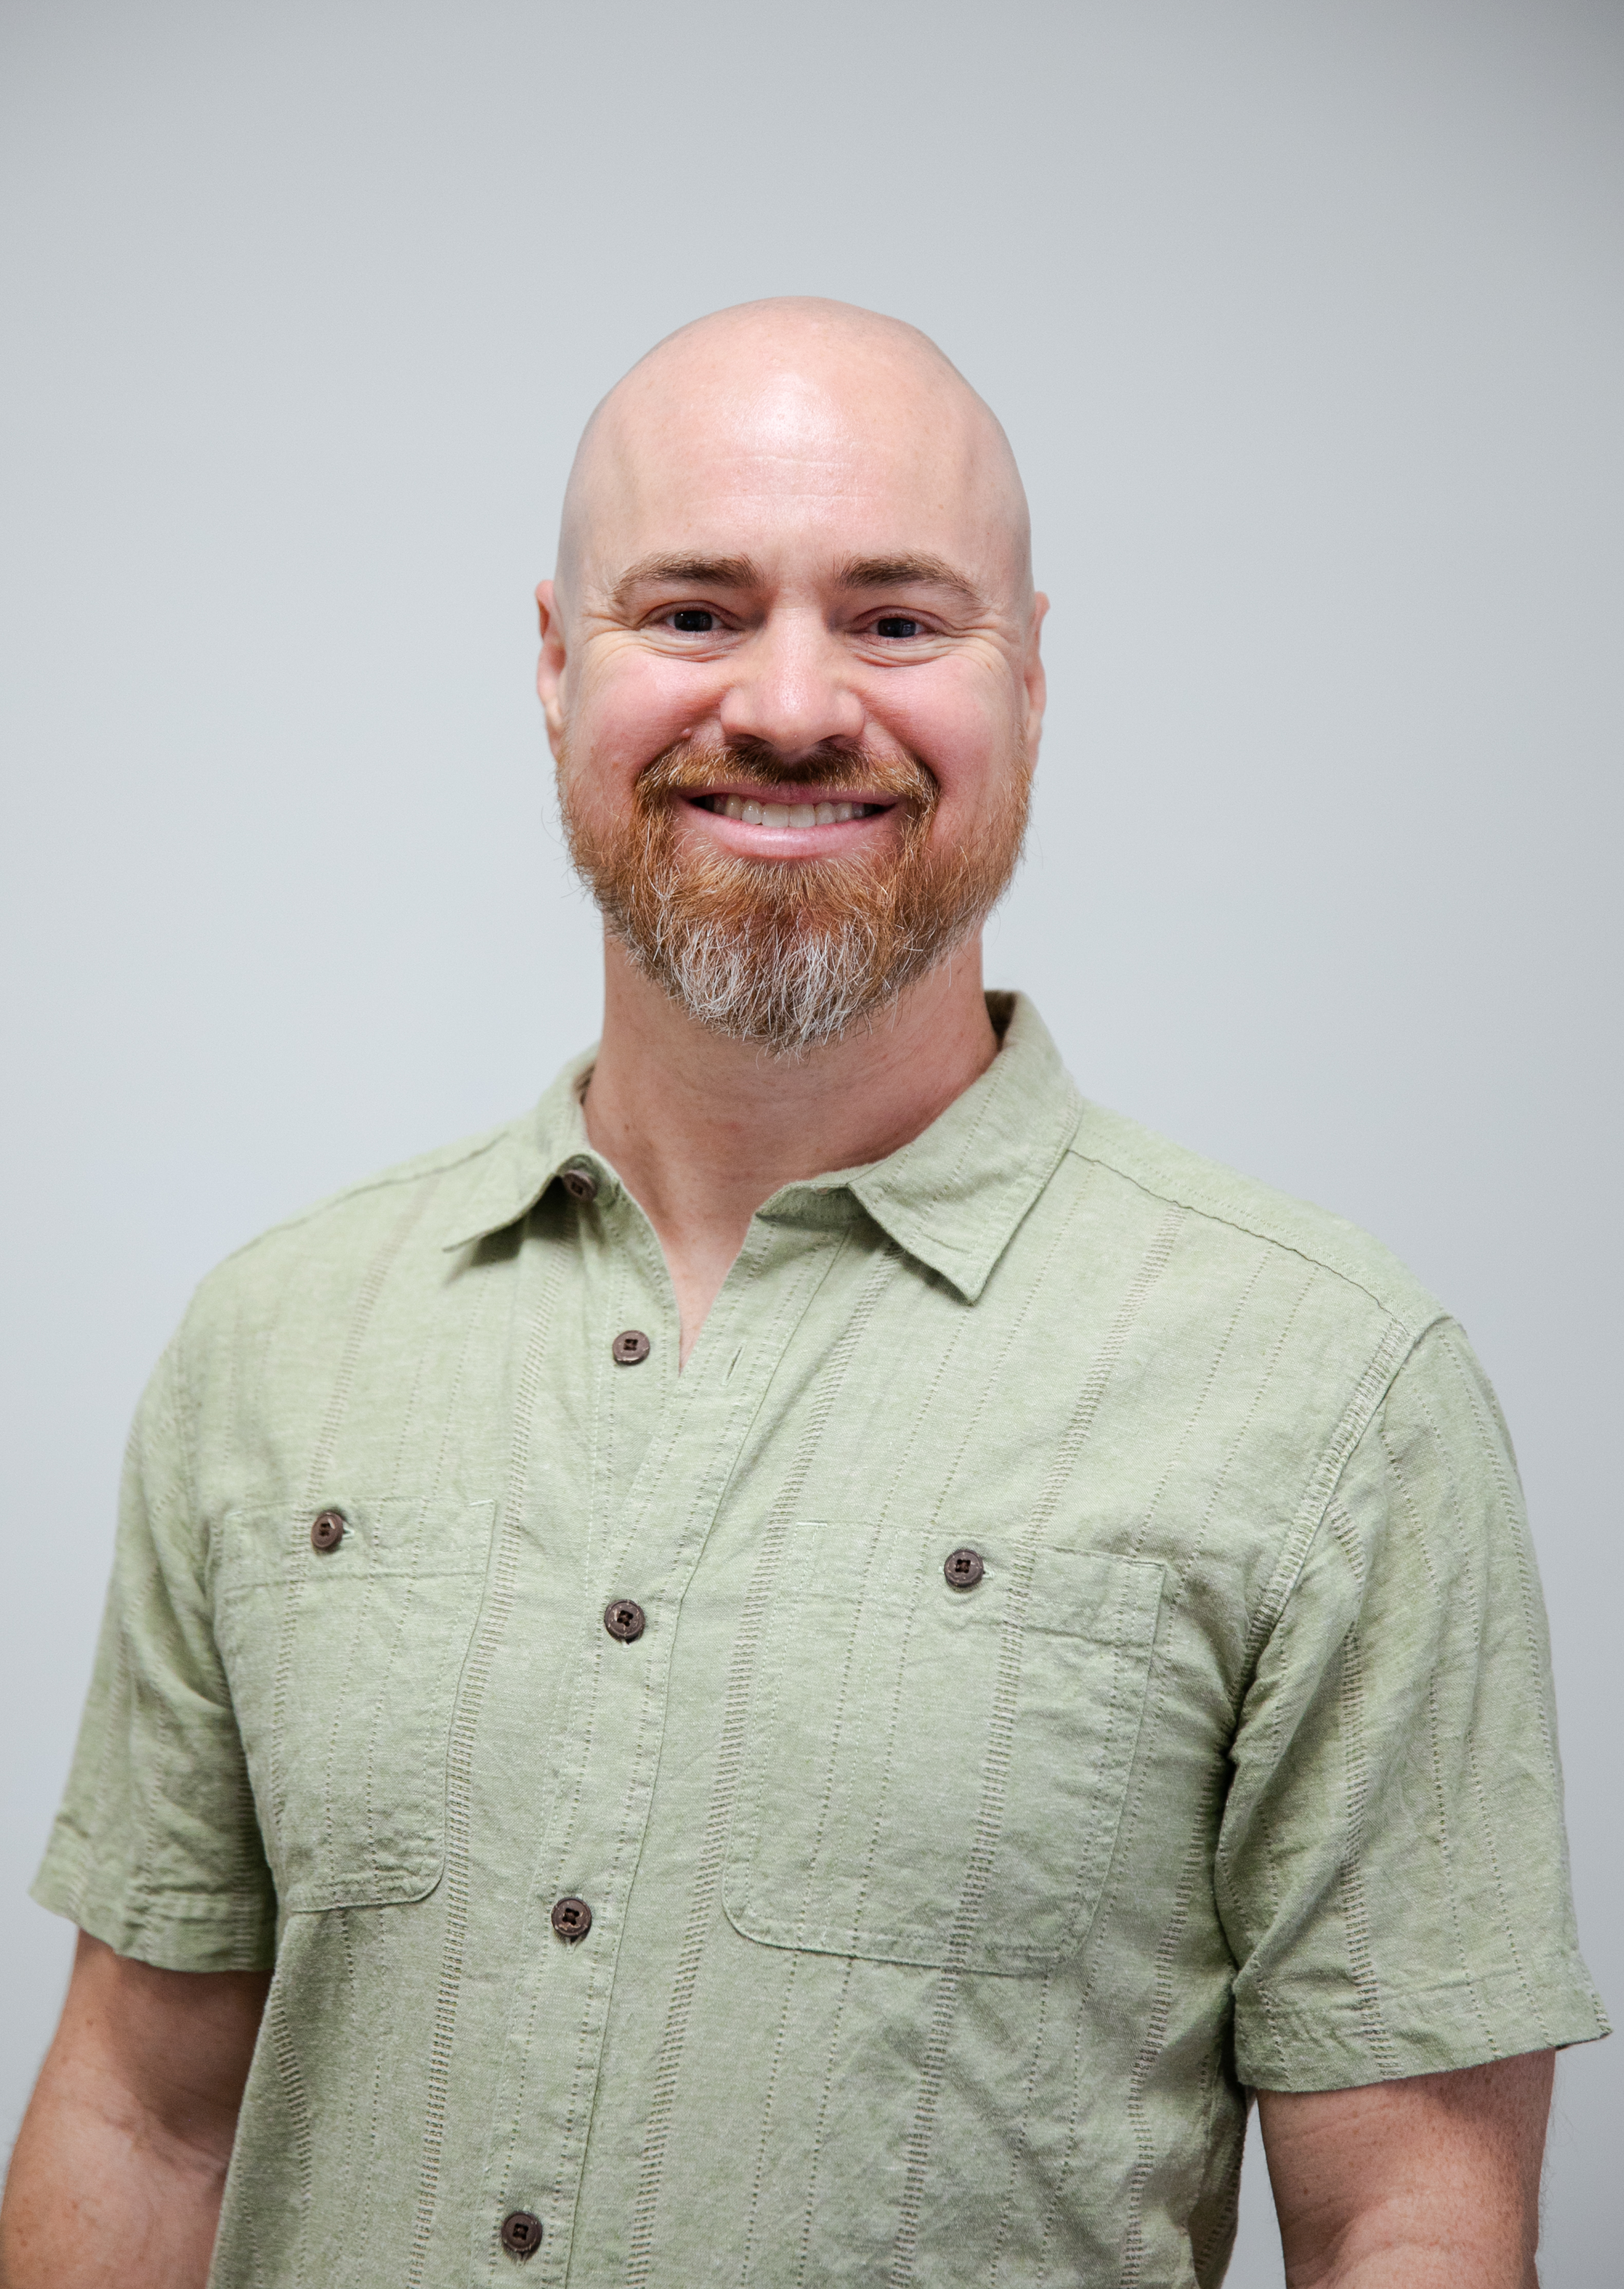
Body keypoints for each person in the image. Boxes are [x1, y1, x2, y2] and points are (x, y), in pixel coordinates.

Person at [0, 297, 1605, 2289]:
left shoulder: (1334, 1398)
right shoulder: (274, 1349)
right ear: (550, 663)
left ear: (1029, 676)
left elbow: (1405, 2216)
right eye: (688, 611)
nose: (782, 704)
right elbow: (144, 2113)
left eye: (894, 619)